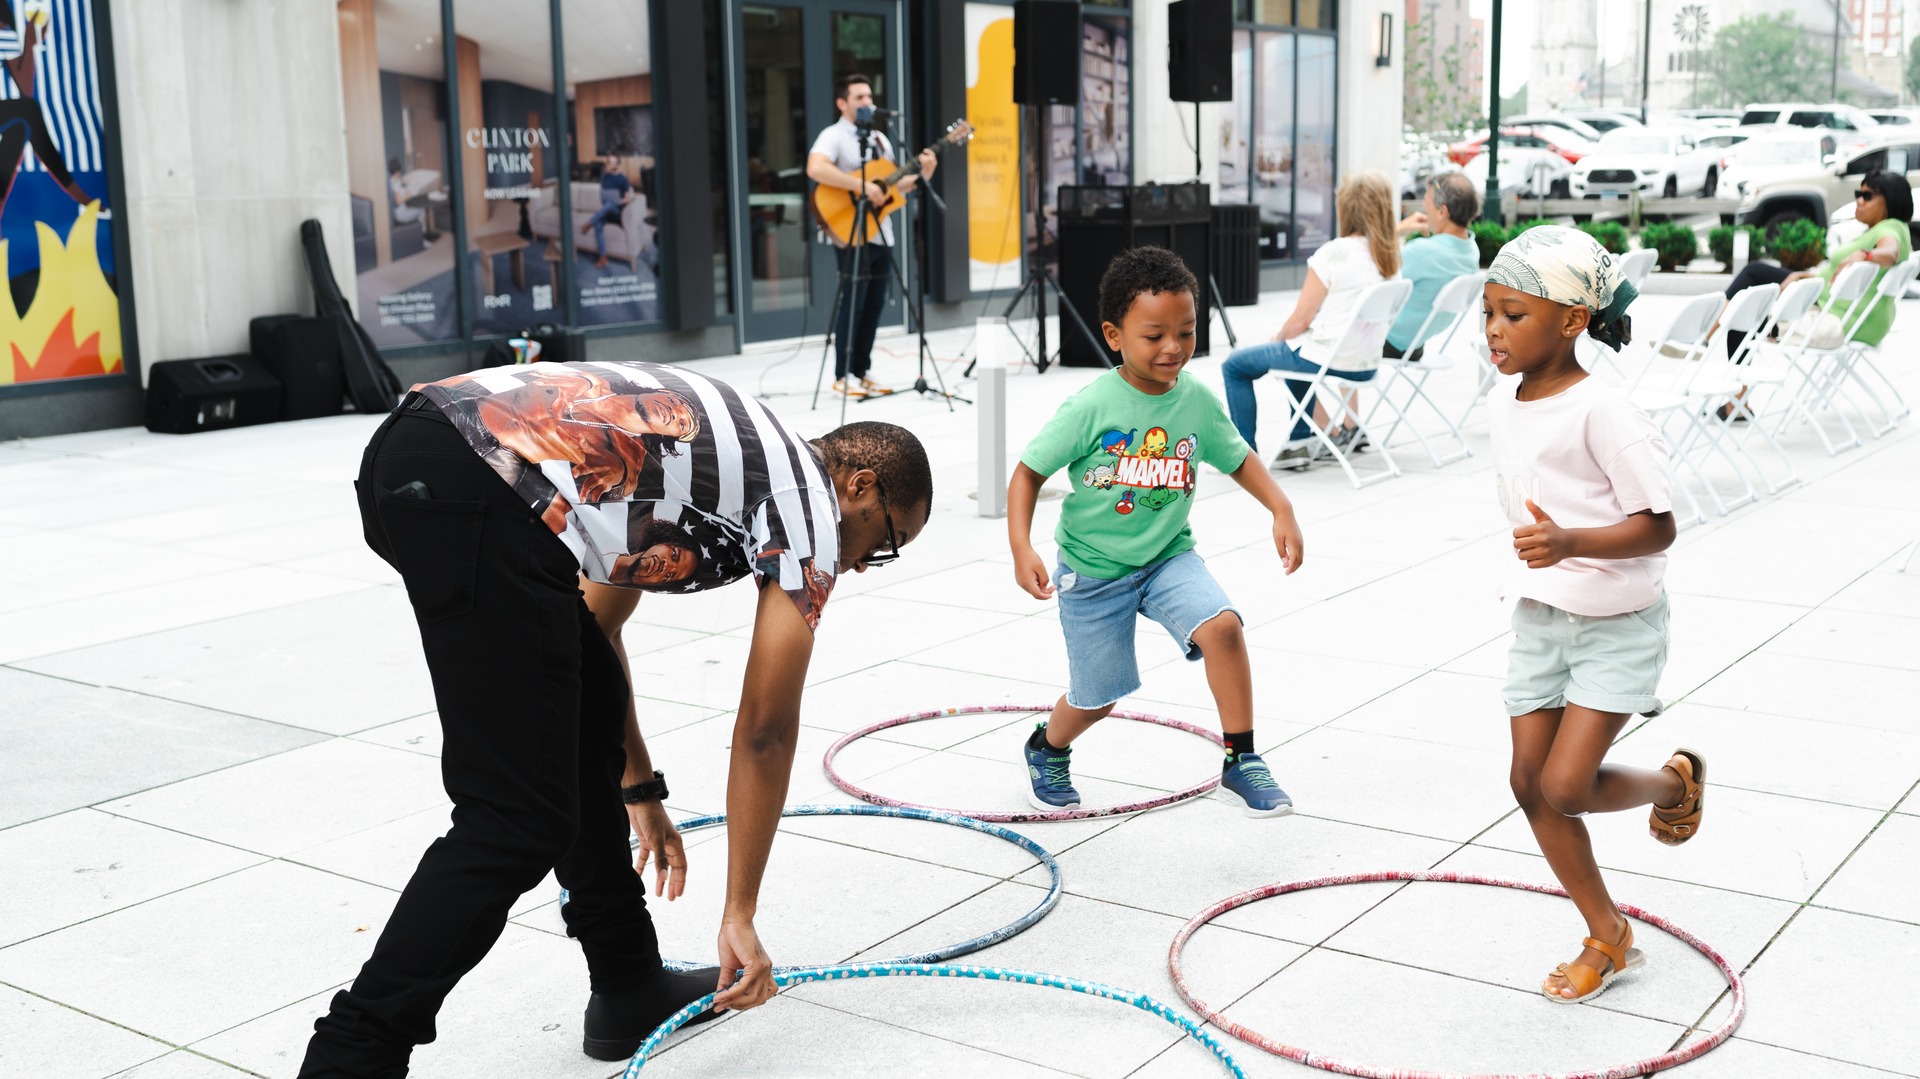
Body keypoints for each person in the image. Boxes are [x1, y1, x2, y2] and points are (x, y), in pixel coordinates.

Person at [299, 361, 933, 1077]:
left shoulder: (741, 462)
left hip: (429, 453)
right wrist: (739, 914)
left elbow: (592, 639)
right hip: (476, 476)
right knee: (515, 817)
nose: (868, 563)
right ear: (861, 487)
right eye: (888, 540)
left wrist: (640, 790)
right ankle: (350, 1058)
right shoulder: (807, 501)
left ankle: (627, 982)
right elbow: (766, 730)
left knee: (587, 699)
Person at [1482, 226, 1705, 1005]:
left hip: (1616, 625)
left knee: (1567, 785)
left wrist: (1572, 540)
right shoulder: (1505, 401)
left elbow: (1660, 525)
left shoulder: (1605, 412)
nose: (1494, 330)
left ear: (1573, 320)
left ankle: (1671, 784)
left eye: (1514, 315)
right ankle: (1607, 934)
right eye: (1488, 313)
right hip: (1542, 618)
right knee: (1528, 780)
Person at [1007, 246, 1306, 817]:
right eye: (1154, 335)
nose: (1174, 347)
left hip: (1169, 556)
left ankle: (1241, 759)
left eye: (1187, 332)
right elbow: (1028, 473)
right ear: (1114, 335)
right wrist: (1021, 547)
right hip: (1094, 571)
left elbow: (1237, 456)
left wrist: (1281, 507)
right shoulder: (1091, 406)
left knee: (1222, 627)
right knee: (1098, 699)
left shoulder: (1195, 401)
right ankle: (1047, 746)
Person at [1220, 171, 1401, 470]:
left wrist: (1279, 337)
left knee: (1236, 365)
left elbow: (1300, 320)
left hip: (1326, 359)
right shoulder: (1390, 260)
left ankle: (1243, 459)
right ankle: (1299, 442)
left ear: (1346, 208)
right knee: (1294, 353)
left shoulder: (1333, 254)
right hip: (1364, 365)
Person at [805, 72, 938, 400]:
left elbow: (892, 185)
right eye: (859, 97)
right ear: (842, 103)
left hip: (881, 232)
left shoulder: (880, 139)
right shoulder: (833, 136)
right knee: (853, 301)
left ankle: (861, 371)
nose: (868, 102)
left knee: (875, 303)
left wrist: (923, 173)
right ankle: (841, 375)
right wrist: (860, 185)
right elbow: (815, 168)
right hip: (850, 230)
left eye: (869, 96)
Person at [1719, 169, 1912, 362]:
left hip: (1840, 318)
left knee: (1745, 306)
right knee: (1753, 279)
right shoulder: (1892, 229)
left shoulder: (1890, 228)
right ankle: (1713, 334)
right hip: (1856, 317)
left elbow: (1890, 253)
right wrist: (1805, 275)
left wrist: (1864, 254)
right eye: (1858, 194)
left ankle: (1713, 337)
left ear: (1890, 201)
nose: (1859, 201)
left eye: (1867, 196)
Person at [1386, 170, 1482, 361]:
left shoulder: (1421, 253)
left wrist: (1398, 229)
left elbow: (1372, 274)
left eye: (1426, 200)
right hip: (1415, 345)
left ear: (1442, 211)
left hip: (1385, 342)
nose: (1423, 206)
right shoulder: (1471, 251)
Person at [580, 153, 636, 269]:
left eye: (614, 162)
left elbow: (627, 198)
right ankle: (603, 257)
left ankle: (589, 222)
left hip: (618, 213)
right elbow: (603, 195)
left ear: (618, 164)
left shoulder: (623, 178)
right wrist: (607, 200)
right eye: (610, 162)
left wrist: (617, 201)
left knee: (610, 204)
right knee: (598, 224)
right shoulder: (605, 177)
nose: (611, 164)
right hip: (607, 210)